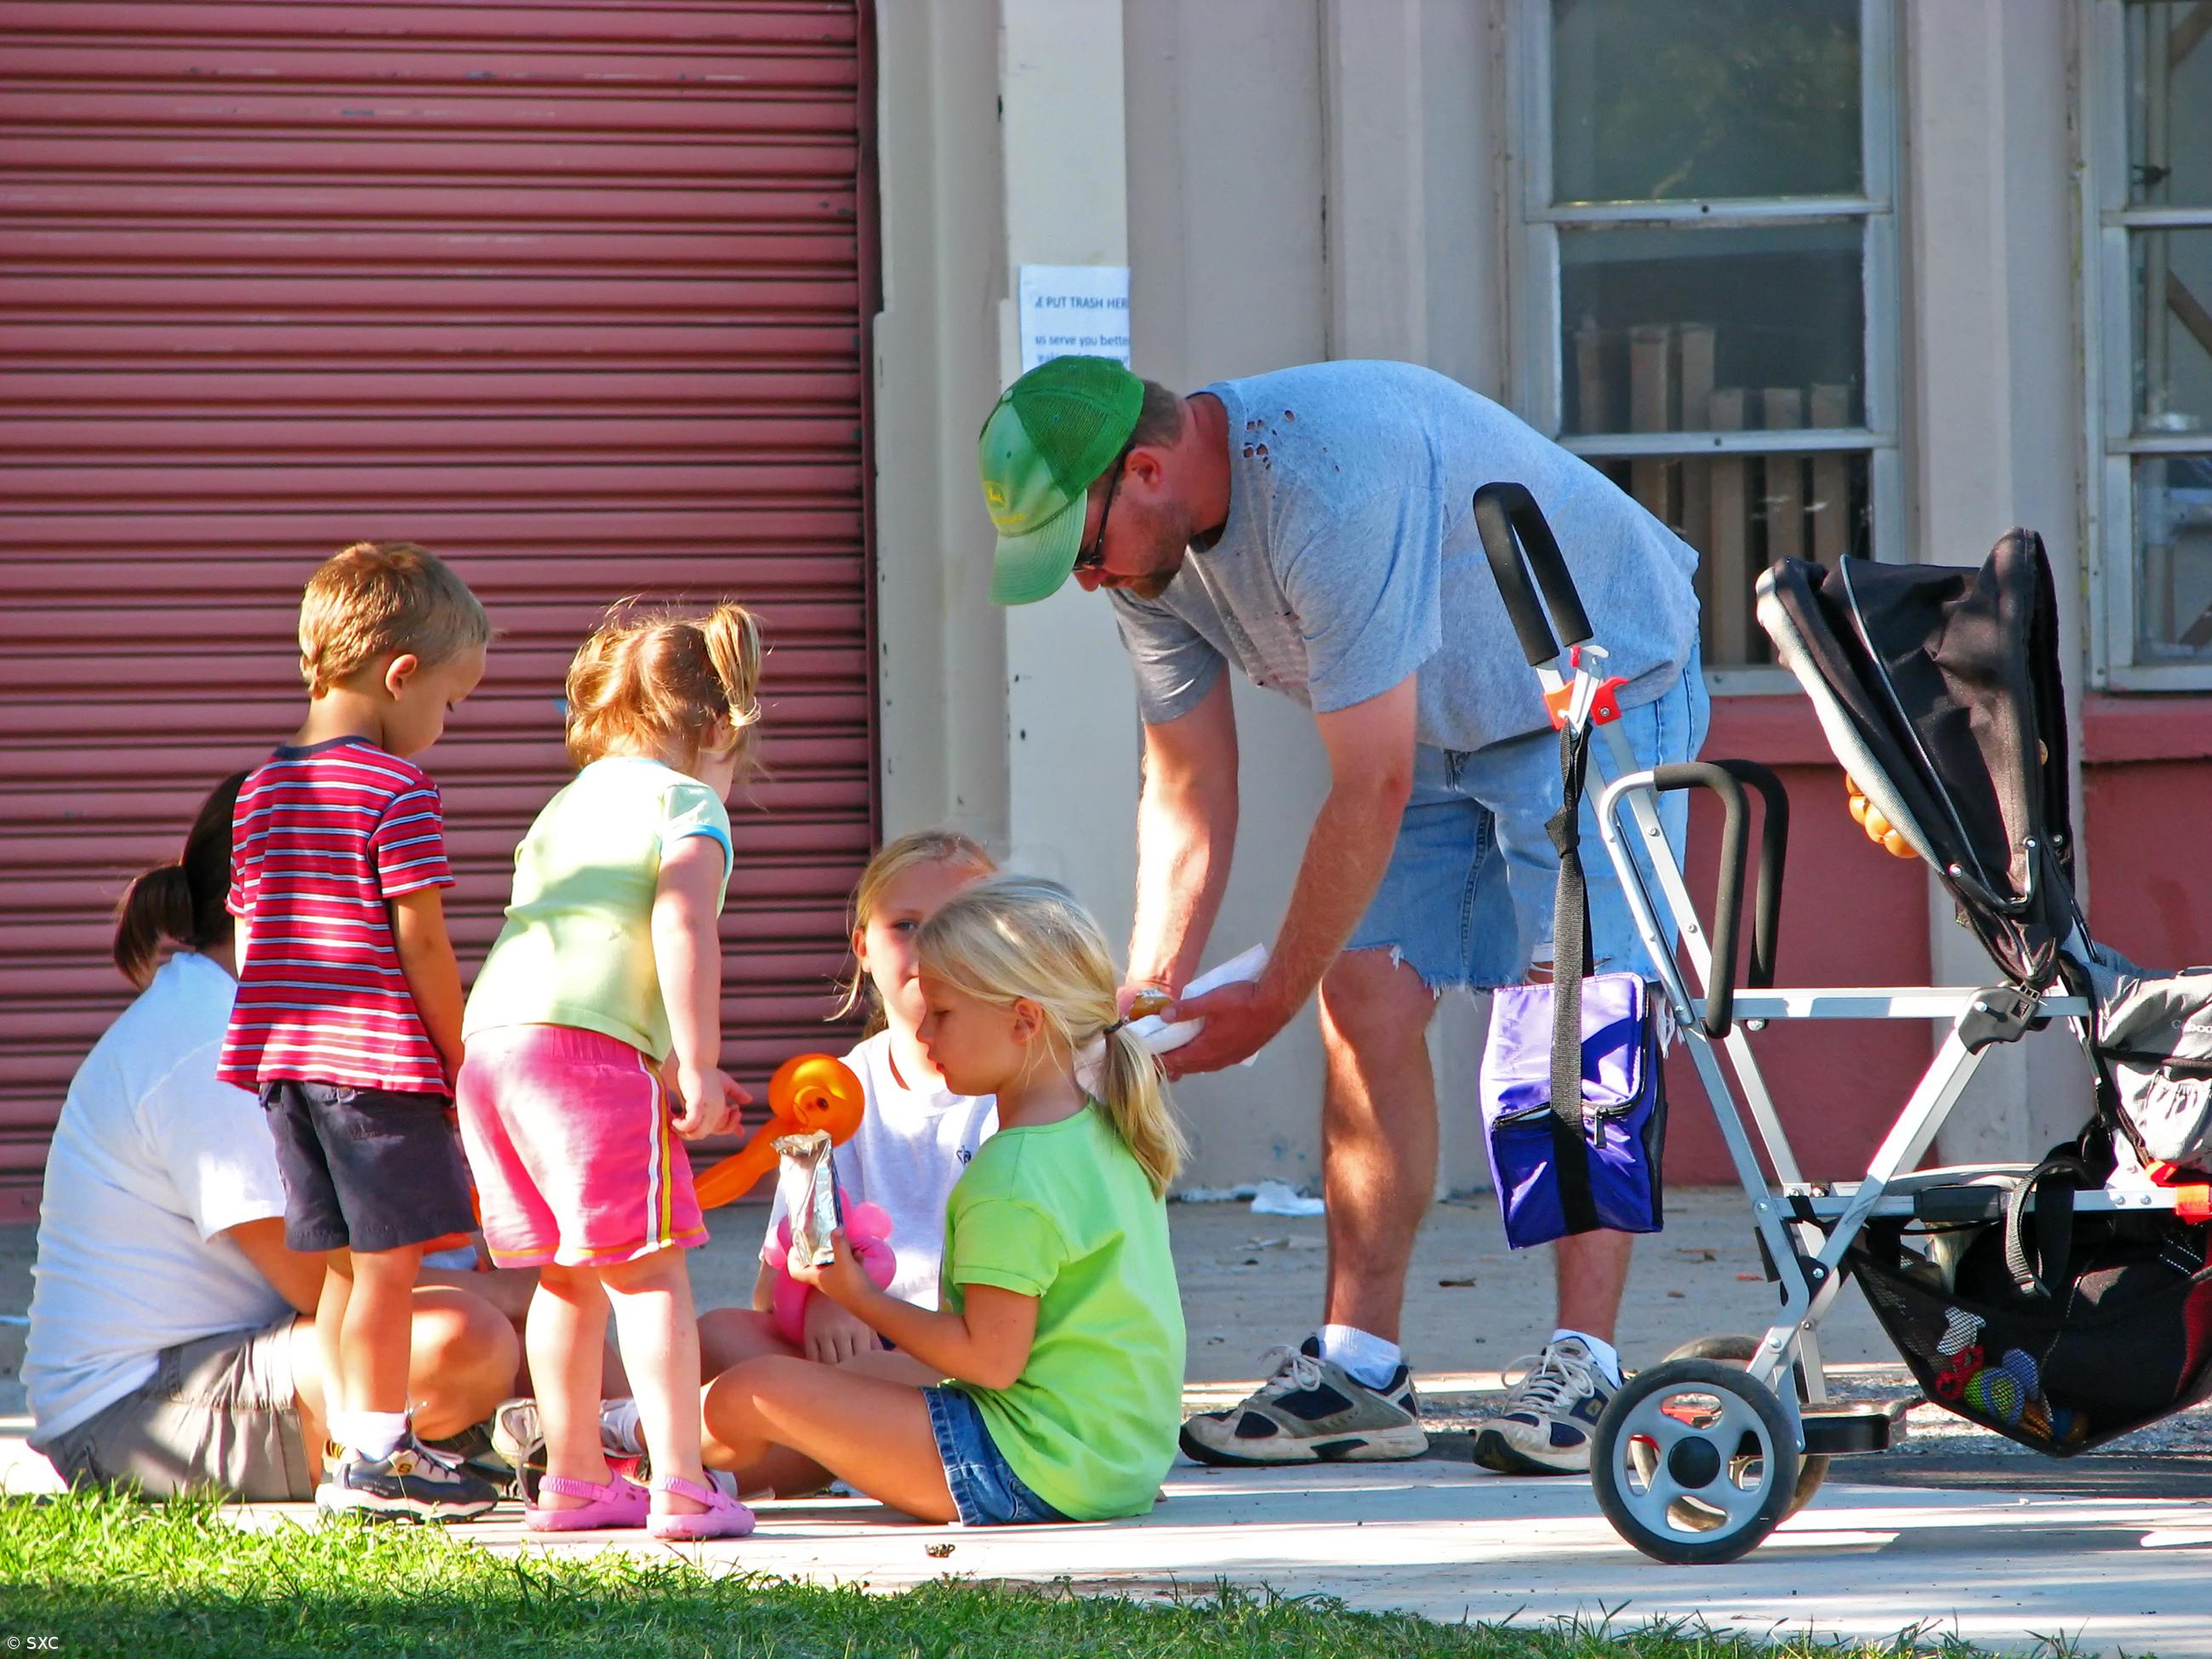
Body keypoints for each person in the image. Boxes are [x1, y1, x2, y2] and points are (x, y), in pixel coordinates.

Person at [974, 356, 1707, 1475]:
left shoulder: (1324, 481)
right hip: (1428, 719)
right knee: (1361, 994)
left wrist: (1266, 996)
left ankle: (1587, 1366)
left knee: (1569, 1010)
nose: (1085, 581)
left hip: (1594, 683)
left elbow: (1368, 788)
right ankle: (1360, 1370)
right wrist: (1149, 991)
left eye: (1080, 549)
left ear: (1149, 470)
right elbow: (1185, 789)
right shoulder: (1147, 568)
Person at [25, 775, 520, 1502]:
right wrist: (514, 1295)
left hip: (259, 1351)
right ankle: (449, 1443)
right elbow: (320, 1283)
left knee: (530, 1328)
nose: (407, 935)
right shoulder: (205, 1041)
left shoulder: (291, 1024)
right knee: (464, 1341)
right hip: (133, 1411)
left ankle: (612, 1448)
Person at [699, 876, 1186, 1526]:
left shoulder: (1012, 1174)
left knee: (755, 1389)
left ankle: (621, 1446)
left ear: (1024, 1020)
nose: (923, 1030)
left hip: (1024, 1467)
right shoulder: (1104, 1131)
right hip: (1109, 1460)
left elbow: (987, 1359)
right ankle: (674, 1469)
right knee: (862, 1375)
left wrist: (856, 1295)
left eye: (944, 1013)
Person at [454, 600, 758, 1539]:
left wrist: (658, 1064)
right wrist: (699, 1065)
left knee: (568, 1275)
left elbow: (584, 953)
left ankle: (577, 1479)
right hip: (582, 1061)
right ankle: (680, 1483)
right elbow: (678, 923)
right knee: (650, 1272)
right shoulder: (687, 802)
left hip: (495, 1052)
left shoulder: (563, 807)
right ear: (716, 727)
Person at [216, 541, 501, 1519]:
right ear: (401, 674)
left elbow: (251, 933)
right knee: (389, 1268)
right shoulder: (395, 791)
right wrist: (459, 1050)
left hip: (283, 1068)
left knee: (339, 1270)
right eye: (452, 704)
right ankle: (381, 1454)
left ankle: (351, 1447)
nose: (445, 727)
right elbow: (420, 936)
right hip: (374, 1067)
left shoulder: (259, 791)